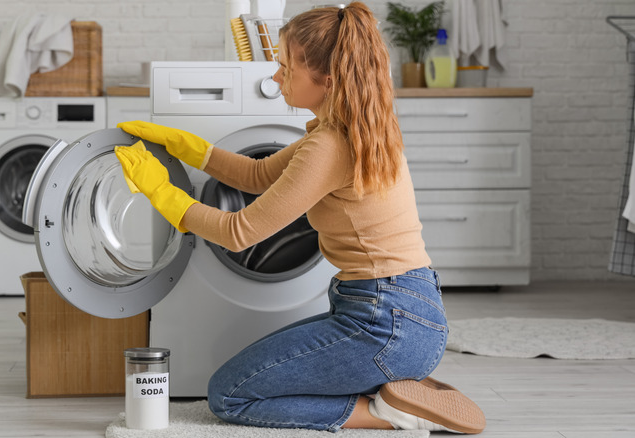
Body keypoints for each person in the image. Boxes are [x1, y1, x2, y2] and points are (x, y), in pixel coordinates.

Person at [114, 2, 485, 434]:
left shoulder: (329, 146)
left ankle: (390, 413)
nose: (276, 77)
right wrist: (187, 147)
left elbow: (239, 233)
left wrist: (161, 193)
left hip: (384, 322)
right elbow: (257, 175)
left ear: (327, 81)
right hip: (406, 313)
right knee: (257, 379)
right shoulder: (358, 127)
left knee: (230, 395)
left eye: (286, 68)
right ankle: (398, 386)